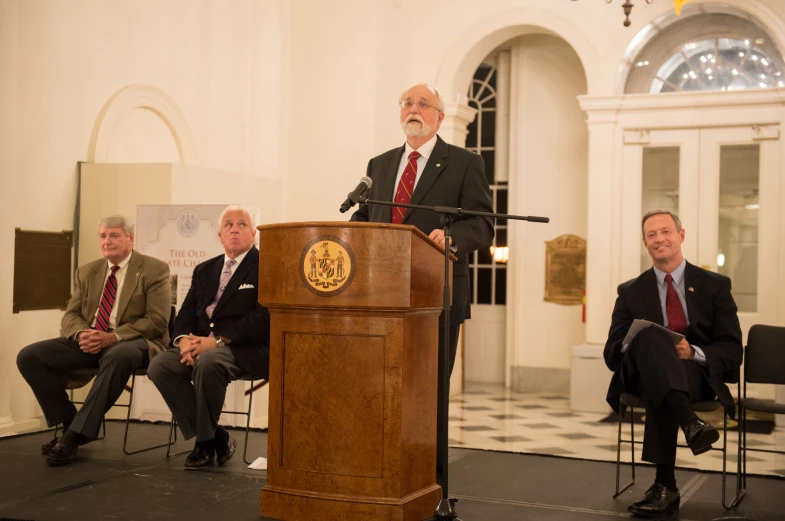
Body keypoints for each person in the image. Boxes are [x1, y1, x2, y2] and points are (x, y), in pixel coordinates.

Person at [604, 210, 742, 518]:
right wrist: (636, 343)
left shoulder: (715, 285)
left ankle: (665, 486)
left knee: (664, 382)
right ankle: (690, 422)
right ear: (645, 243)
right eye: (651, 235)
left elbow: (732, 350)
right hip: (641, 372)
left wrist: (692, 352)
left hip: (695, 373)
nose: (659, 239)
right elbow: (611, 353)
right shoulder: (630, 291)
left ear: (681, 234)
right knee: (651, 336)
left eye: (665, 231)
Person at [351, 83, 494, 377]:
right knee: (382, 382)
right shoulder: (379, 164)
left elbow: (483, 224)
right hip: (382, 293)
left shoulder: (465, 163)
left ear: (440, 117)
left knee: (429, 386)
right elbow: (365, 217)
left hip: (436, 294)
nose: (413, 110)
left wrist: (453, 239)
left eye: (423, 104)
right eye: (407, 103)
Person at [17, 215, 171, 466]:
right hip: (93, 339)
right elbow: (71, 315)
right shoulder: (88, 271)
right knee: (29, 357)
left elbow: (157, 320)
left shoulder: (154, 269)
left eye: (114, 235)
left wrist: (112, 337)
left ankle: (72, 437)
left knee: (118, 354)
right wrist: (82, 334)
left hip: (134, 342)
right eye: (102, 236)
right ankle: (71, 423)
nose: (107, 241)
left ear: (130, 239)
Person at [147, 205, 270, 469]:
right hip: (200, 344)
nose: (234, 228)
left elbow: (263, 318)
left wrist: (216, 342)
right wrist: (183, 342)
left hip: (245, 349)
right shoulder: (205, 269)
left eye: (242, 224)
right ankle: (217, 436)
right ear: (219, 235)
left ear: (253, 234)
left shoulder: (267, 266)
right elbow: (187, 310)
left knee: (209, 362)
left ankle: (203, 444)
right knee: (160, 366)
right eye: (228, 225)